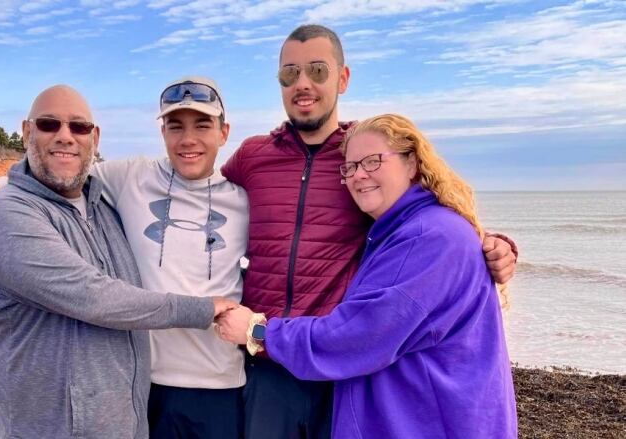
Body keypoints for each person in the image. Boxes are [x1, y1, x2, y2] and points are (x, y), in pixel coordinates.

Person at [220, 24, 518, 438]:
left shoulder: (362, 149)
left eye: (317, 70)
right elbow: (205, 201)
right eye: (289, 74)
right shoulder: (253, 156)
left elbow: (431, 224)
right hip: (272, 369)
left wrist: (493, 246)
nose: (302, 83)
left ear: (342, 78)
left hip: (345, 367)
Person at [0, 78, 247, 439]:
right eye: (49, 124)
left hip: (197, 393)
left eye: (78, 127)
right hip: (135, 394)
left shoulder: (101, 205)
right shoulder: (125, 180)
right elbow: (95, 295)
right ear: (26, 132)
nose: (66, 136)